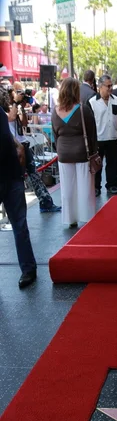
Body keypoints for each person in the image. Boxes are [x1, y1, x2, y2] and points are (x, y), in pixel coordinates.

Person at [0, 86, 37, 289]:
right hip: (9, 175)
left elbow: (8, 136)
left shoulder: (1, 111)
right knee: (20, 225)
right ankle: (28, 269)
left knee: (20, 225)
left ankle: (29, 269)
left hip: (12, 176)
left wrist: (16, 145)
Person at [7, 85, 61, 214]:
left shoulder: (13, 108)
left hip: (23, 145)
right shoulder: (5, 110)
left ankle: (46, 202)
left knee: (34, 175)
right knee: (20, 179)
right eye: (12, 94)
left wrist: (22, 107)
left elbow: (24, 124)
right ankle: (23, 209)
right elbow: (11, 118)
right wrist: (15, 103)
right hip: (14, 149)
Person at [51, 77, 97, 228]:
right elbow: (91, 133)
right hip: (81, 152)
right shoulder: (83, 110)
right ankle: (87, 216)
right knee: (85, 186)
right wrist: (95, 151)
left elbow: (55, 133)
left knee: (67, 188)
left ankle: (70, 219)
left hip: (63, 152)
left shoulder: (55, 112)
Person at [89, 75, 117, 196]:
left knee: (113, 163)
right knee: (97, 164)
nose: (111, 88)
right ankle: (96, 187)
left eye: (111, 86)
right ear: (100, 87)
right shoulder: (92, 102)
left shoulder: (116, 100)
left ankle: (112, 185)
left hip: (113, 136)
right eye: (108, 86)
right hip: (98, 138)